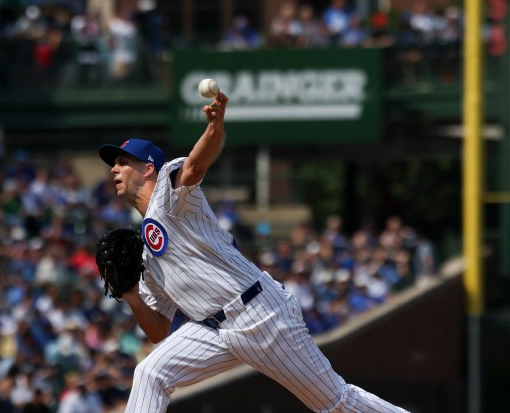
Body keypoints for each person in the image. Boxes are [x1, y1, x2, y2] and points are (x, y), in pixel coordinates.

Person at [97, 91, 409, 413]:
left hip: (259, 313)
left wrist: (214, 128)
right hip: (212, 330)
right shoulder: (145, 256)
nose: (114, 170)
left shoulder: (169, 192)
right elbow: (159, 330)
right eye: (114, 164)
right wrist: (132, 296)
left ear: (148, 168)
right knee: (150, 373)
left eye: (123, 162)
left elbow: (195, 166)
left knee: (334, 402)